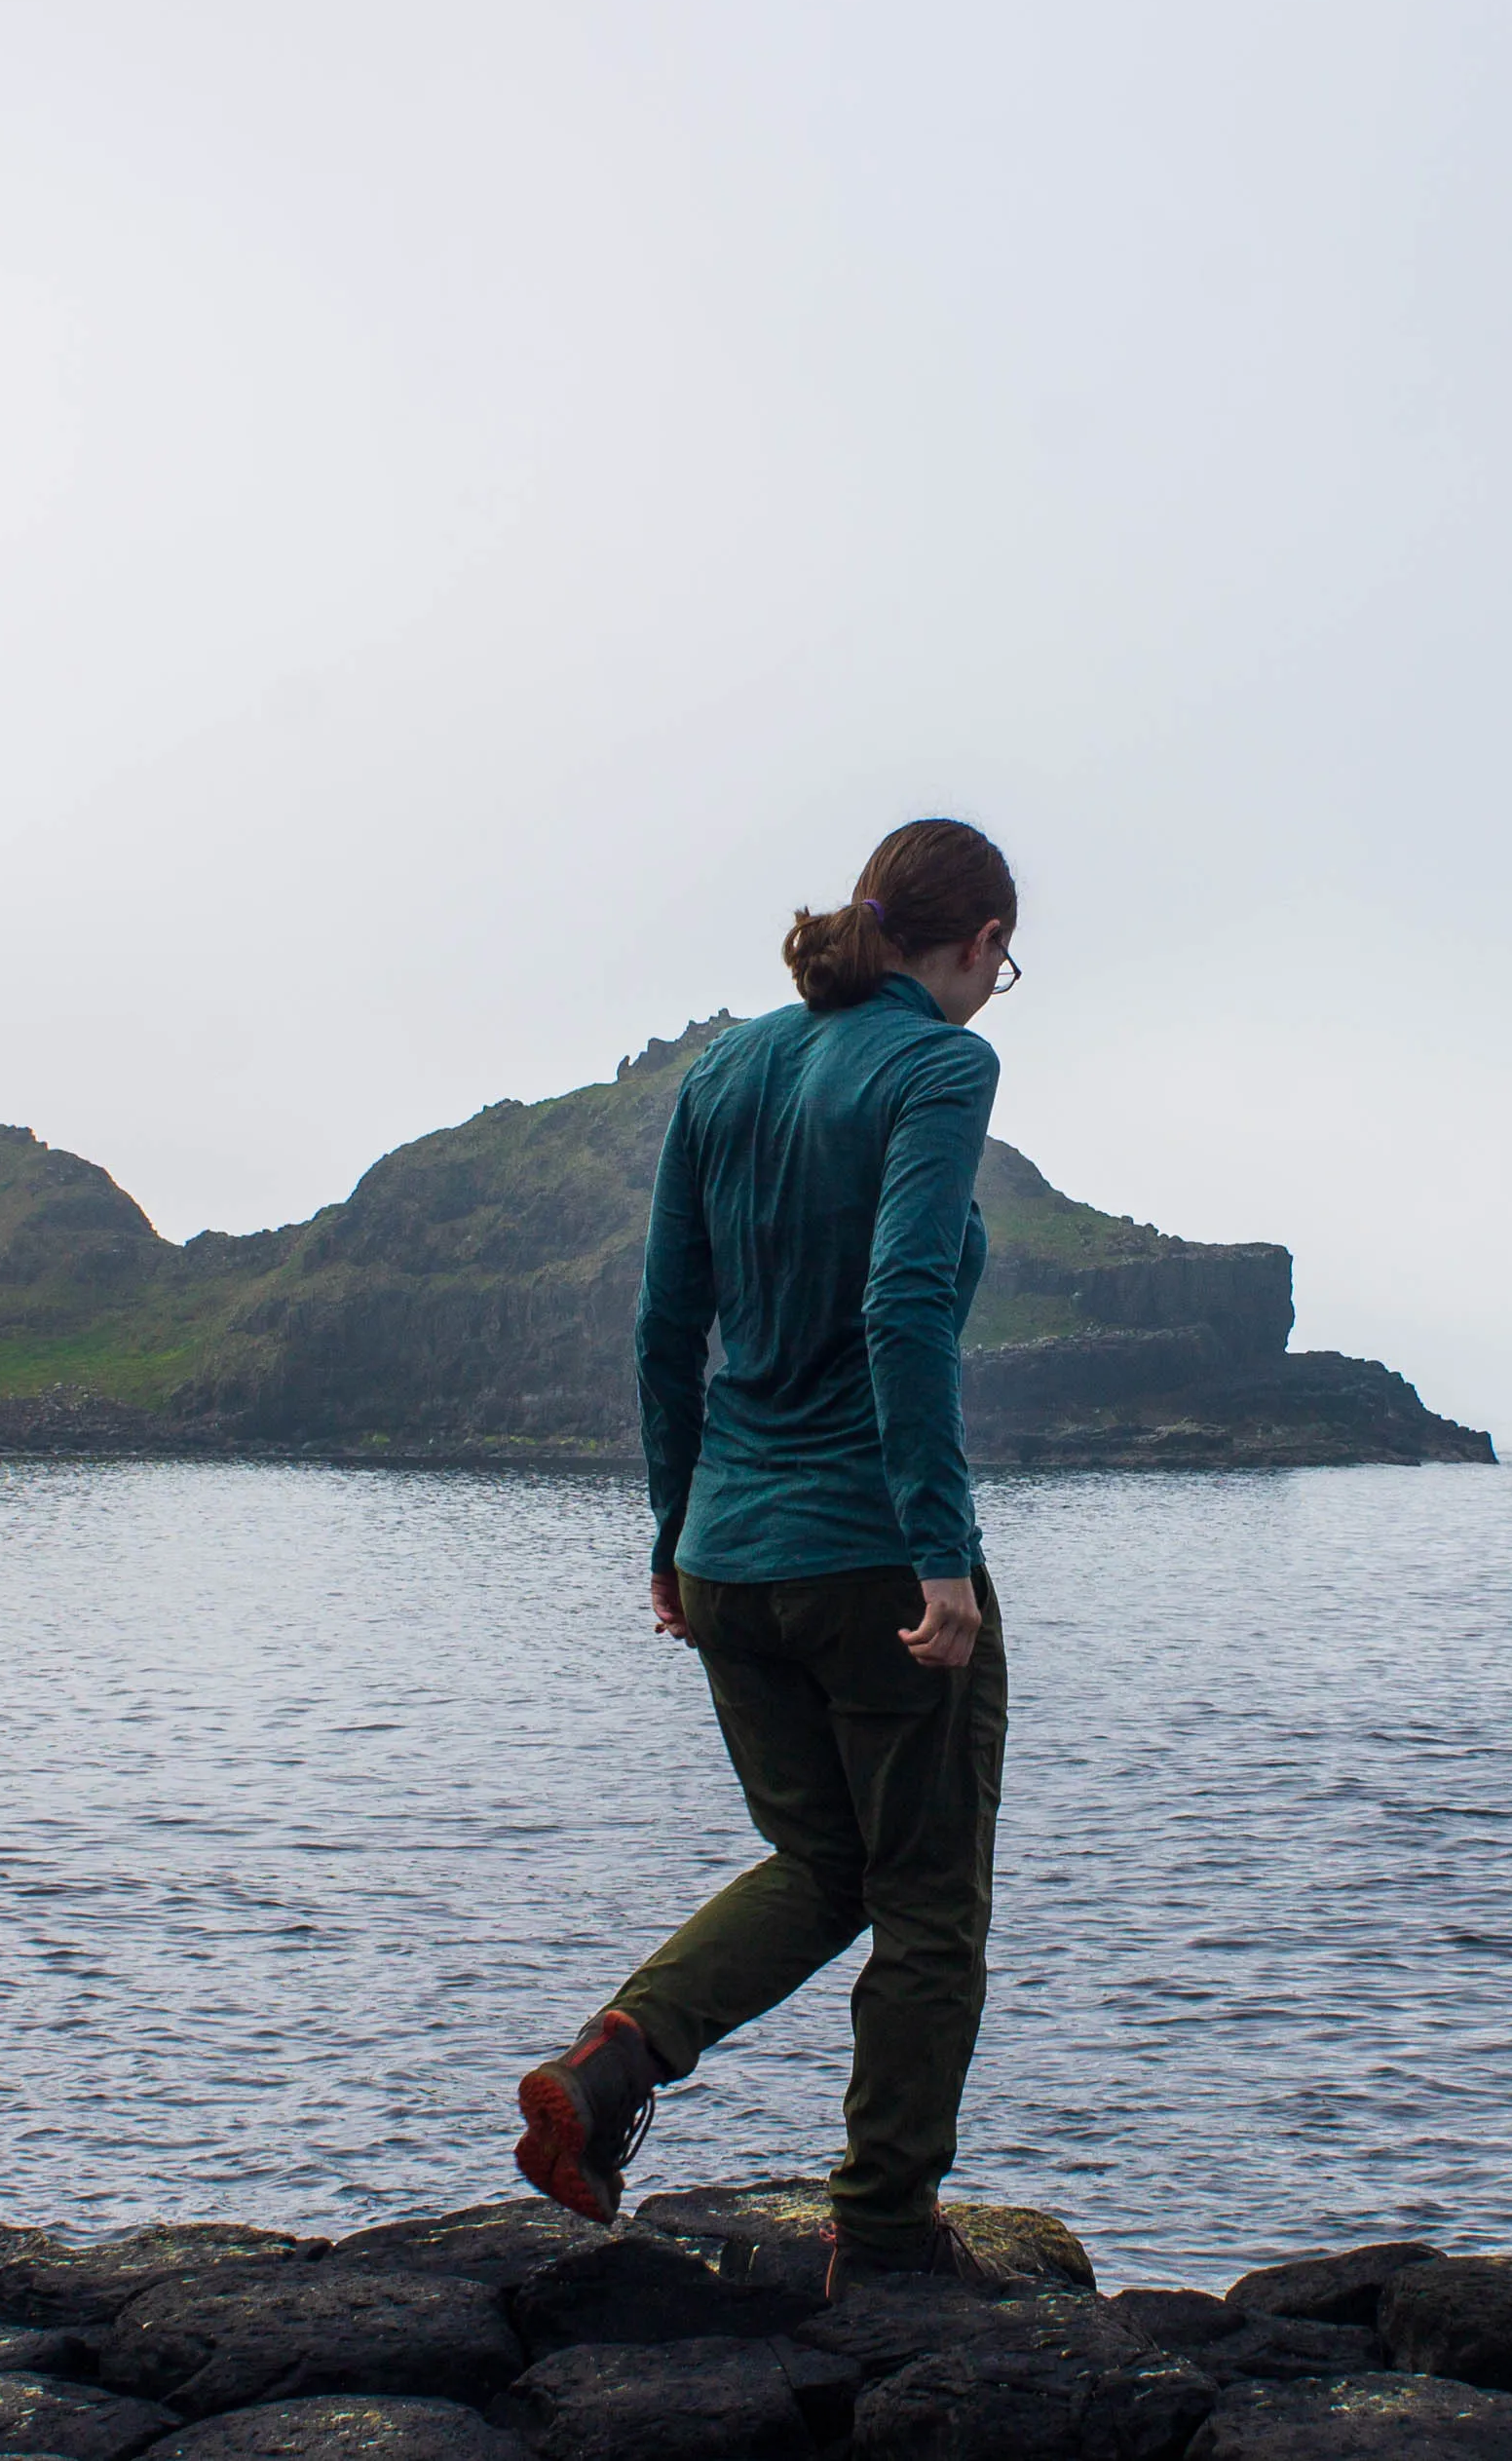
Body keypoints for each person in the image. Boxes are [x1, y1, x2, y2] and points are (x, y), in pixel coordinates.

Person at [512, 815, 1022, 2290]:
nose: (999, 987)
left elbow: (665, 1325)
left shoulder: (726, 1066)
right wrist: (939, 1558)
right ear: (978, 943)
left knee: (819, 1858)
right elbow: (904, 1307)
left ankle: (610, 2068)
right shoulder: (940, 1063)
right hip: (869, 1555)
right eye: (1003, 961)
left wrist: (672, 1536)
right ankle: (882, 2233)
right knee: (925, 1899)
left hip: (732, 1553)